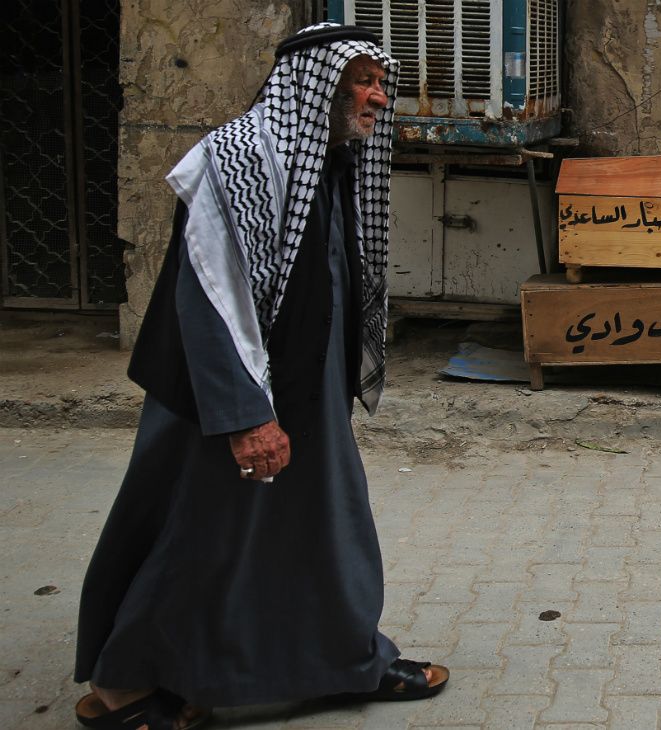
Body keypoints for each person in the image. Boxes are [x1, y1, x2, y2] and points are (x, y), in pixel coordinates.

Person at [72, 22, 447, 729]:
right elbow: (207, 298)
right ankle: (122, 688)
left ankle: (344, 662)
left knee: (326, 530)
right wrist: (245, 416)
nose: (376, 95)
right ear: (315, 86)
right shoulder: (243, 158)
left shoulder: (333, 157)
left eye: (378, 81)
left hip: (306, 392)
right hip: (226, 399)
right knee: (198, 538)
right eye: (361, 80)